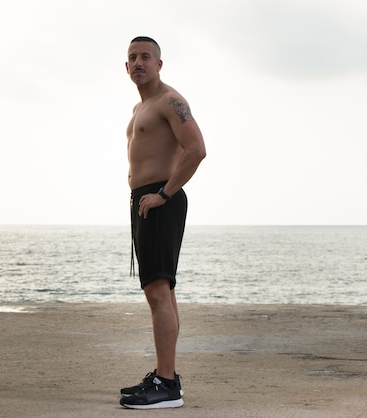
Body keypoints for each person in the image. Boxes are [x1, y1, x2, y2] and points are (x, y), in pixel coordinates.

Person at [119, 36, 206, 409]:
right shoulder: (140, 108)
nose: (139, 62)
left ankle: (167, 384)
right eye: (132, 58)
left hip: (159, 200)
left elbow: (197, 149)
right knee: (164, 291)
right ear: (126, 68)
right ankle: (164, 375)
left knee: (157, 291)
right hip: (146, 201)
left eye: (146, 57)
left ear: (159, 64)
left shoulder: (170, 101)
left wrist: (164, 194)